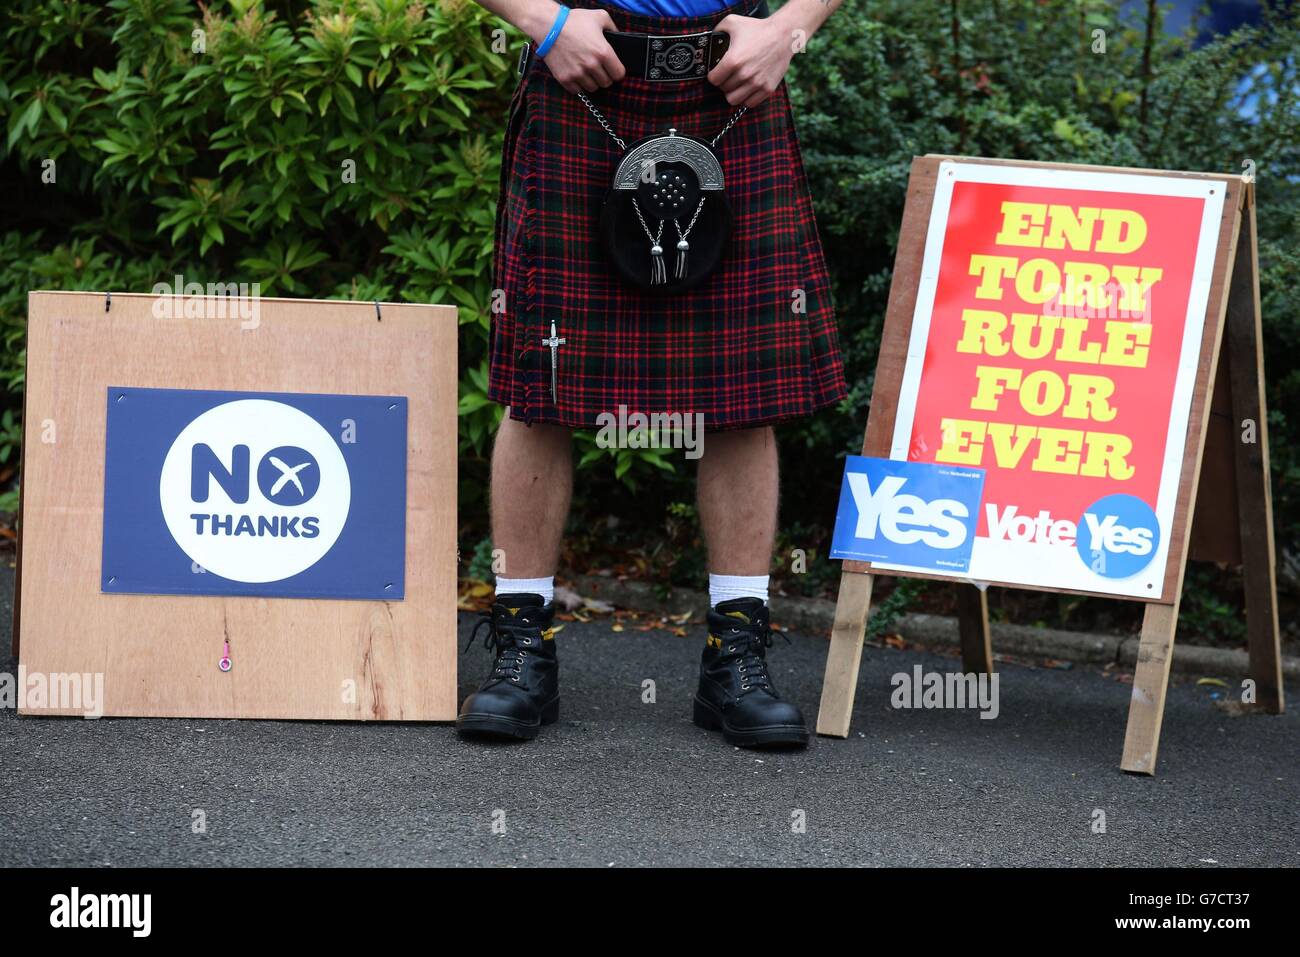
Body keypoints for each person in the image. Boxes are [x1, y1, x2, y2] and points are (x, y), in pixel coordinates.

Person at [459, 0, 845, 747]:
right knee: (540, 386)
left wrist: (789, 29)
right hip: (583, 77)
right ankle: (521, 648)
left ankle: (735, 651)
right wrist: (542, 20)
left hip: (730, 82)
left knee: (744, 390)